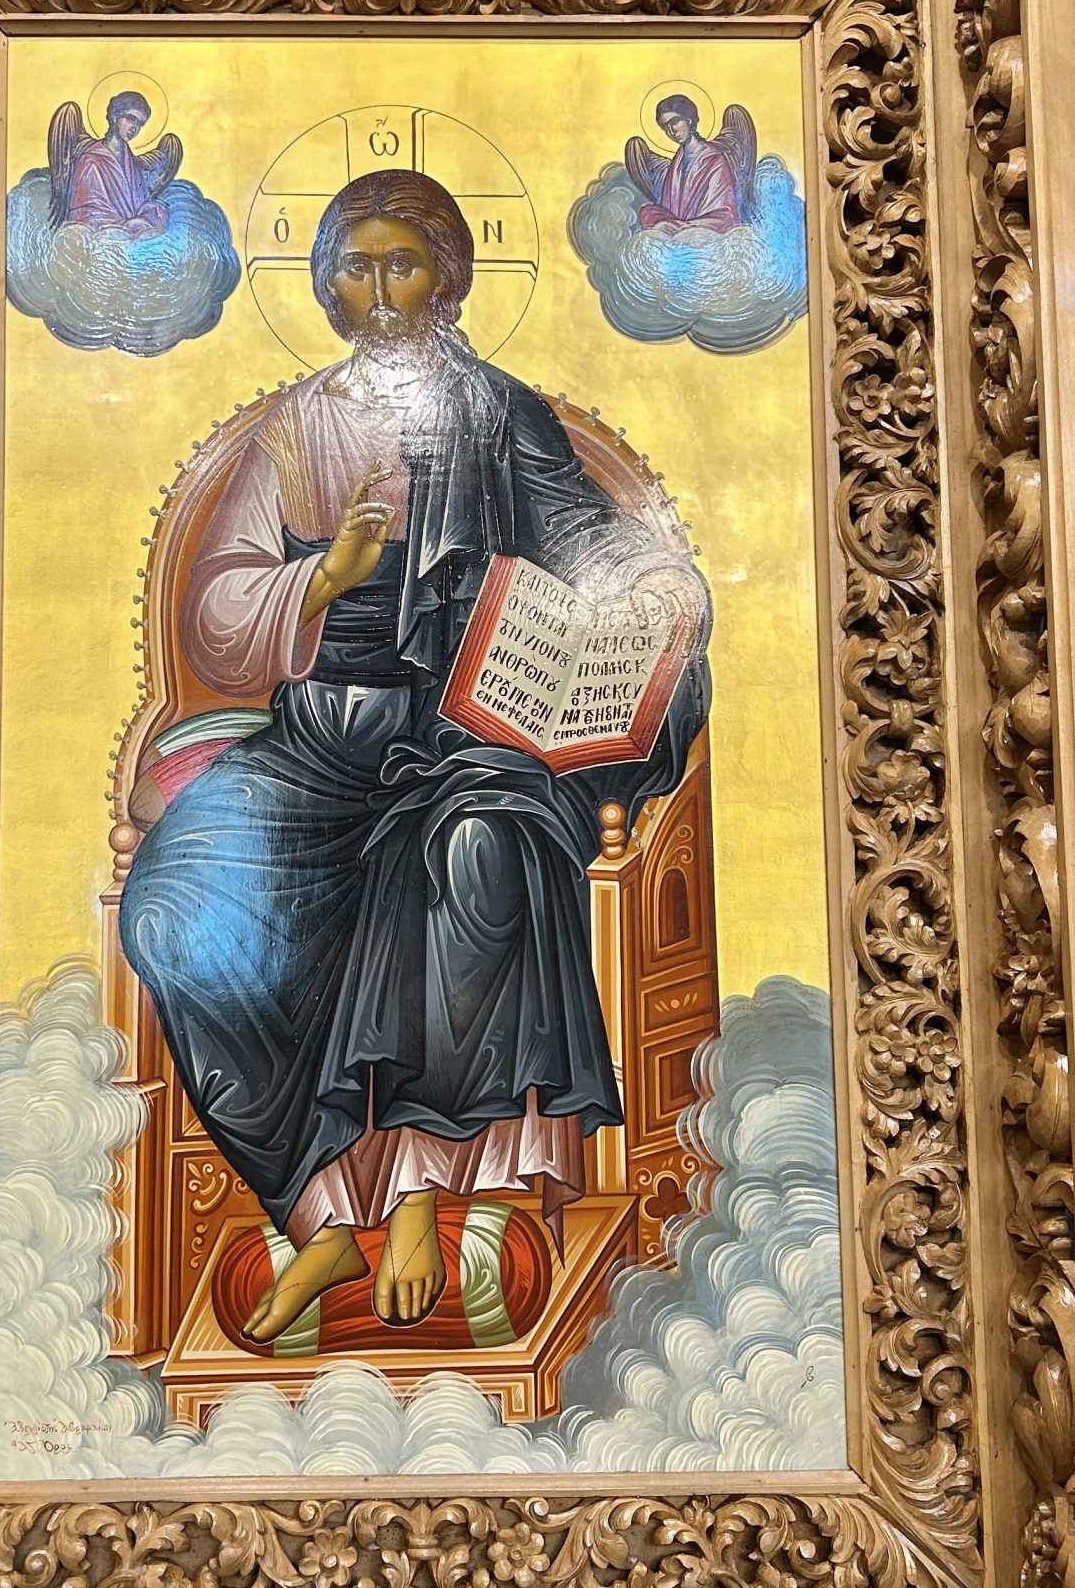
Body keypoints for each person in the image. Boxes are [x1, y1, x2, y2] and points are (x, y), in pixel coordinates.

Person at [120, 169, 710, 1342]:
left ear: (449, 276)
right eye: (356, 267)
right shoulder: (293, 429)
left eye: (403, 263)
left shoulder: (498, 414)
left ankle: (427, 1200)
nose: (381, 291)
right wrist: (321, 577)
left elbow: (591, 538)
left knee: (472, 850)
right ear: (327, 286)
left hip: (467, 728)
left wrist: (659, 586)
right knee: (173, 906)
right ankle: (317, 1208)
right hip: (320, 741)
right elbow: (217, 610)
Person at [49, 91, 180, 236]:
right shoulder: (90, 161)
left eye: (140, 123)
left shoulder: (134, 166)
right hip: (103, 237)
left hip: (131, 238)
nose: (134, 128)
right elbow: (88, 213)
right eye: (130, 119)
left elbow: (139, 205)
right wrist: (128, 225)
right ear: (115, 117)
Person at [625, 95, 754, 237]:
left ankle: (678, 230)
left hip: (712, 224)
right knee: (647, 212)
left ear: (689, 119)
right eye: (665, 127)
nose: (672, 131)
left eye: (675, 122)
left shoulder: (714, 159)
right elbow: (670, 210)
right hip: (682, 224)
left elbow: (724, 215)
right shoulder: (677, 162)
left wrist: (677, 225)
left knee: (664, 226)